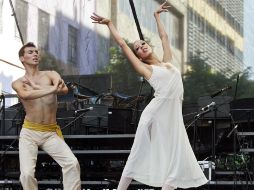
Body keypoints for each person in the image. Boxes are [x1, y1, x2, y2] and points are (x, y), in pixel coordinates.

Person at [91, 2, 208, 190]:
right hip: (155, 113)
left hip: (172, 116)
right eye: (137, 48)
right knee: (138, 152)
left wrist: (156, 16)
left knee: (175, 158)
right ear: (138, 56)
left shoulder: (167, 62)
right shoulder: (145, 68)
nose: (141, 47)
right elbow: (122, 44)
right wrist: (110, 23)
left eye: (143, 43)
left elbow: (164, 37)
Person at [12, 42, 81, 190]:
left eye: (36, 52)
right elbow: (26, 95)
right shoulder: (18, 82)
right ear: (22, 58)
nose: (35, 54)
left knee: (72, 163)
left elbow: (63, 90)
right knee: (26, 174)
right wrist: (51, 89)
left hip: (50, 132)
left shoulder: (51, 74)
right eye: (30, 52)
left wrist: (39, 87)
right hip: (29, 132)